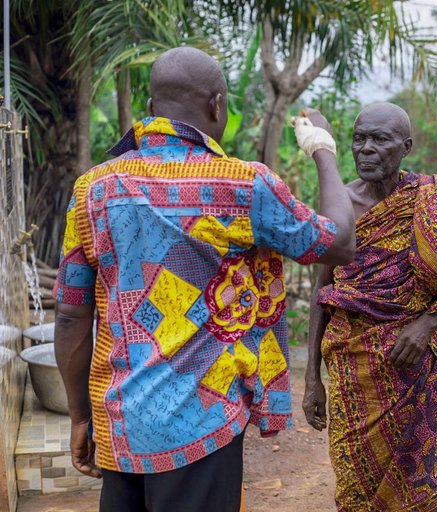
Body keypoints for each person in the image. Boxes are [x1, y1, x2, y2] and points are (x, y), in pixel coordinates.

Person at [53, 47, 355, 512]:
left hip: (122, 423)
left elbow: (71, 316)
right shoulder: (243, 187)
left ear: (151, 110)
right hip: (203, 423)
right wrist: (323, 150)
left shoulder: (93, 190)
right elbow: (338, 243)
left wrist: (80, 416)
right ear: (217, 106)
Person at [302, 102, 437, 511]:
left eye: (380, 139)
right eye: (359, 139)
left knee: (412, 484)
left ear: (405, 147)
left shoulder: (435, 204)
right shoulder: (339, 207)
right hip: (352, 370)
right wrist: (310, 380)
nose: (366, 149)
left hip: (416, 369)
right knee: (355, 483)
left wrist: (429, 323)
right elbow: (322, 293)